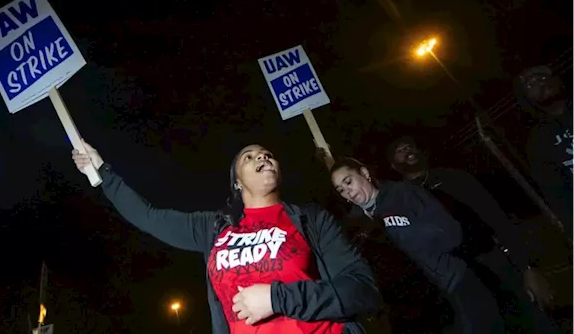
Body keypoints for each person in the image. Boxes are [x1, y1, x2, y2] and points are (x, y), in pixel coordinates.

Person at [72, 141, 380, 334]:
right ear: (236, 182)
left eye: (268, 154)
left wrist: (278, 298)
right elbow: (148, 216)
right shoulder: (213, 228)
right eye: (249, 157)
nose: (263, 157)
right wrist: (102, 171)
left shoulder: (310, 219)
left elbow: (362, 288)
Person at [387, 136, 559, 333]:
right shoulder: (400, 202)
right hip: (459, 284)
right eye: (398, 150)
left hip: (495, 264)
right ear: (393, 165)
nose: (406, 149)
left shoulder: (455, 178)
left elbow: (497, 218)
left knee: (535, 322)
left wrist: (527, 267)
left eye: (409, 145)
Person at [329, 157, 504, 334]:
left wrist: (402, 235)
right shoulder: (355, 227)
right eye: (341, 190)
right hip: (420, 312)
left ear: (365, 174)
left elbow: (451, 234)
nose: (348, 192)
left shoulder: (403, 193)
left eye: (348, 182)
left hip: (456, 286)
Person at [515, 65, 573, 238]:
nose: (540, 84)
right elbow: (556, 194)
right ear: (527, 99)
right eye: (531, 85)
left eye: (542, 78)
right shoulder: (538, 142)